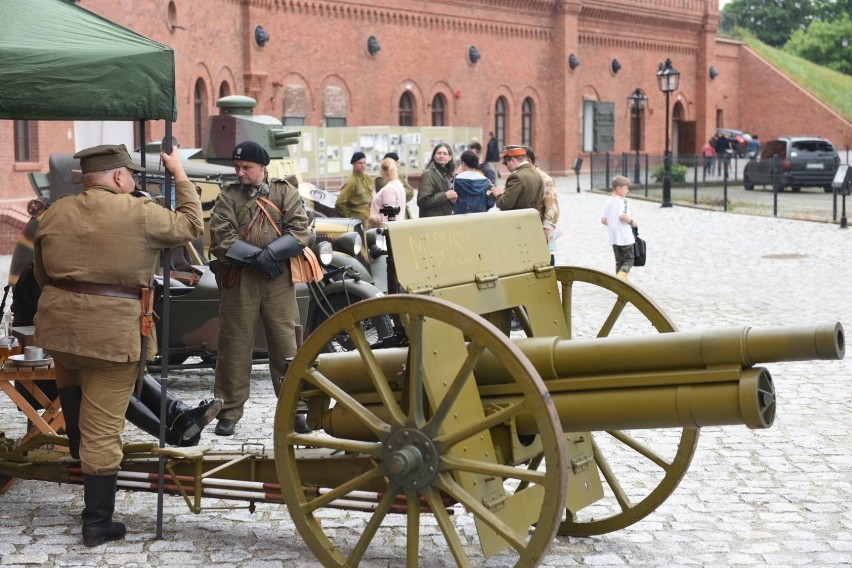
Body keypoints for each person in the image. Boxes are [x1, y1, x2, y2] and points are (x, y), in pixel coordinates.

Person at [32, 143, 204, 547]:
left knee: (72, 394)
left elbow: (41, 273)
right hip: (111, 334)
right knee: (103, 430)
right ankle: (97, 523)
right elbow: (192, 226)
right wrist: (178, 172)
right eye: (130, 176)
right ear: (119, 176)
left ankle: (77, 451)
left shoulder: (55, 211)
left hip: (58, 328)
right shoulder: (140, 212)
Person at [11, 261, 222, 448]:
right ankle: (175, 433)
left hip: (70, 360)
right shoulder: (38, 276)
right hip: (41, 373)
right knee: (114, 382)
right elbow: (50, 323)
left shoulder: (65, 274)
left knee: (124, 374)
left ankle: (180, 417)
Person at [208, 141, 311, 438]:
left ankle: (298, 409)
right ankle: (228, 412)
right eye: (237, 168)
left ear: (263, 168)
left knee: (287, 346)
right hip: (239, 280)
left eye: (246, 168)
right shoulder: (228, 196)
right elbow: (220, 237)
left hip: (278, 279)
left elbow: (300, 230)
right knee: (233, 347)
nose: (240, 173)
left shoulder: (284, 192)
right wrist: (258, 258)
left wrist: (271, 256)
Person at [526, 148, 559, 266]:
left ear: (529, 161)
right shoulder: (521, 177)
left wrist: (546, 233)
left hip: (540, 232)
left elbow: (552, 210)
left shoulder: (545, 180)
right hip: (524, 232)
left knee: (546, 267)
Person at [600, 175, 637, 280]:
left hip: (614, 237)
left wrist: (613, 223)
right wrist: (632, 221)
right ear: (618, 188)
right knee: (629, 259)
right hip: (624, 236)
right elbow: (622, 216)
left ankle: (619, 284)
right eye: (626, 188)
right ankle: (621, 276)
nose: (627, 190)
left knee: (619, 261)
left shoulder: (608, 201)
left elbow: (603, 220)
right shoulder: (624, 201)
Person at [491, 145, 543, 214]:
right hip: (531, 220)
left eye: (506, 163)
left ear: (512, 160)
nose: (507, 167)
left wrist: (498, 194)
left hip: (516, 222)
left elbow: (504, 204)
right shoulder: (537, 175)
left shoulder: (516, 176)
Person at [416, 143, 457, 217]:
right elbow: (422, 202)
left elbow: (445, 203)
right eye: (439, 153)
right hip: (431, 222)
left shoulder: (449, 175)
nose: (441, 156)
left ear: (450, 157)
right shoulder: (428, 174)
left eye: (445, 153)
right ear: (434, 156)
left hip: (444, 220)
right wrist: (445, 195)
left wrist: (452, 201)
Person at [452, 150, 494, 214]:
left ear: (463, 163)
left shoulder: (457, 180)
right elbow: (491, 200)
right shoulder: (485, 180)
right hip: (480, 214)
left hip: (462, 215)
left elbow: (453, 199)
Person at [369, 158, 408, 226]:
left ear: (382, 171)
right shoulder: (398, 184)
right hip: (397, 226)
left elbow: (388, 216)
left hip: (385, 230)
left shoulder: (389, 189)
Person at [335, 151, 373, 222]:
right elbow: (339, 203)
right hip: (360, 216)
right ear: (354, 164)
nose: (363, 165)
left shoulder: (367, 177)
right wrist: (349, 218)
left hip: (370, 213)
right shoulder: (351, 181)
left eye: (364, 163)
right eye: (360, 163)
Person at [374, 151, 414, 218]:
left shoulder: (398, 175)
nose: (399, 165)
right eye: (397, 163)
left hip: (404, 213)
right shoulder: (380, 178)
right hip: (392, 215)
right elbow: (391, 196)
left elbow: (411, 192)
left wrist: (399, 194)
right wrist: (401, 193)